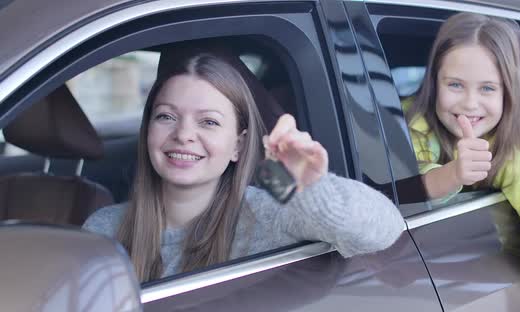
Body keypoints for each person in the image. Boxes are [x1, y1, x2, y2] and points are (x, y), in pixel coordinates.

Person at [83, 53, 404, 283]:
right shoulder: (104, 228)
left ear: (238, 144)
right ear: (148, 130)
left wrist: (310, 186)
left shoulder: (266, 213)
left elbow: (381, 231)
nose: (182, 135)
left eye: (208, 122)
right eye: (166, 116)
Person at [403, 12, 520, 286]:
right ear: (434, 82)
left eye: (487, 88)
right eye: (455, 84)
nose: (469, 103)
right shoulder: (407, 122)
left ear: (508, 93)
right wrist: (454, 174)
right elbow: (403, 189)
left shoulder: (510, 149)